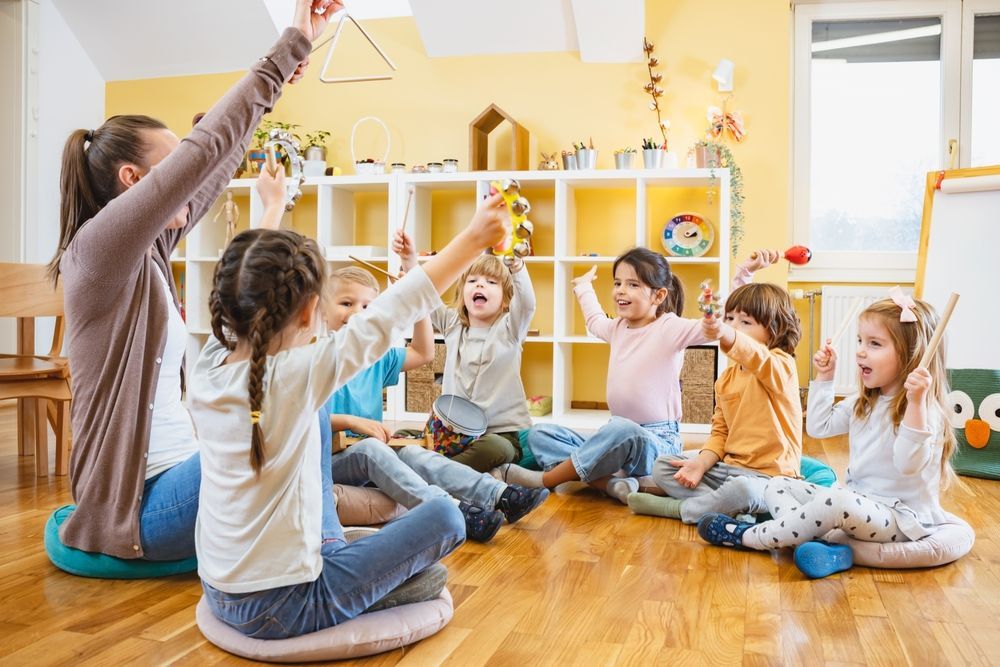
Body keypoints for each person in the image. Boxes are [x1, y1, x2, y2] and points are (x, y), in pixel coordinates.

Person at [46, 0, 316, 559]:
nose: (181, 186)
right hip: (139, 508)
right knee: (298, 411)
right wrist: (285, 46)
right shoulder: (97, 249)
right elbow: (203, 153)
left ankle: (334, 547)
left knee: (314, 425)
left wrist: (278, 86)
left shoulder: (145, 255)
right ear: (133, 181)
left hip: (175, 480)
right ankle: (322, 568)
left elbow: (212, 170)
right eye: (168, 172)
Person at [698, 294, 961, 579]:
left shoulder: (924, 410)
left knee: (836, 501)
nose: (860, 351)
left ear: (912, 354)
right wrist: (825, 377)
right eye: (861, 341)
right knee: (777, 485)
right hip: (858, 503)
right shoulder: (864, 401)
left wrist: (917, 403)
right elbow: (819, 427)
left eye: (874, 344)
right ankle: (810, 543)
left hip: (899, 518)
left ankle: (749, 537)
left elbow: (908, 464)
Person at [495, 248, 774, 504]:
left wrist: (744, 274)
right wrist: (583, 288)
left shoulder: (671, 327)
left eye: (632, 284)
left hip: (656, 443)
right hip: (615, 437)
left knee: (621, 429)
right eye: (617, 283)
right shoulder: (617, 327)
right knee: (540, 433)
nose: (620, 290)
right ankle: (610, 483)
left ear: (659, 295)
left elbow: (717, 320)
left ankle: (545, 480)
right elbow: (594, 321)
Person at [628, 282, 802, 523]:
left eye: (745, 322)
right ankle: (729, 508)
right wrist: (699, 464)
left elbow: (756, 356)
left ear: (775, 329)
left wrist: (726, 333)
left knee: (744, 490)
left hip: (770, 479)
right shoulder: (726, 380)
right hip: (728, 471)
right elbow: (720, 432)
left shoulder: (781, 365)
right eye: (729, 319)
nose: (733, 327)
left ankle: (680, 510)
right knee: (663, 466)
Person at [429, 251, 536, 472]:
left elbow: (526, 305)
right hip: (451, 435)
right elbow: (425, 299)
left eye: (491, 282)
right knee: (402, 439)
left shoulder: (511, 329)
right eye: (472, 281)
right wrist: (408, 261)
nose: (480, 286)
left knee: (498, 449)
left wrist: (516, 267)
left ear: (506, 299)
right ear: (462, 293)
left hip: (499, 434)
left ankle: (435, 471)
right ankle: (445, 470)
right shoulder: (452, 324)